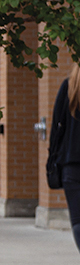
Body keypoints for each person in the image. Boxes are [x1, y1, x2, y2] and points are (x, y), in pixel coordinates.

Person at [49, 64, 80, 251]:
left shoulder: (68, 87)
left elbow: (56, 129)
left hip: (71, 166)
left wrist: (53, 157)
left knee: (77, 220)